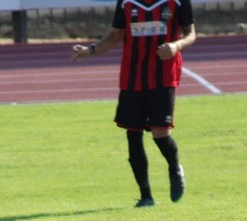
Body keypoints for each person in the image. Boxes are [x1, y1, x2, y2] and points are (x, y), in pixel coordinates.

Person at [72, 0, 196, 208]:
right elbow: (115, 35)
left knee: (160, 134)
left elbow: (190, 34)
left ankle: (174, 168)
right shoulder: (126, 2)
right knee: (133, 135)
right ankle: (146, 196)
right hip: (132, 78)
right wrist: (91, 50)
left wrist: (176, 46)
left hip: (163, 77)